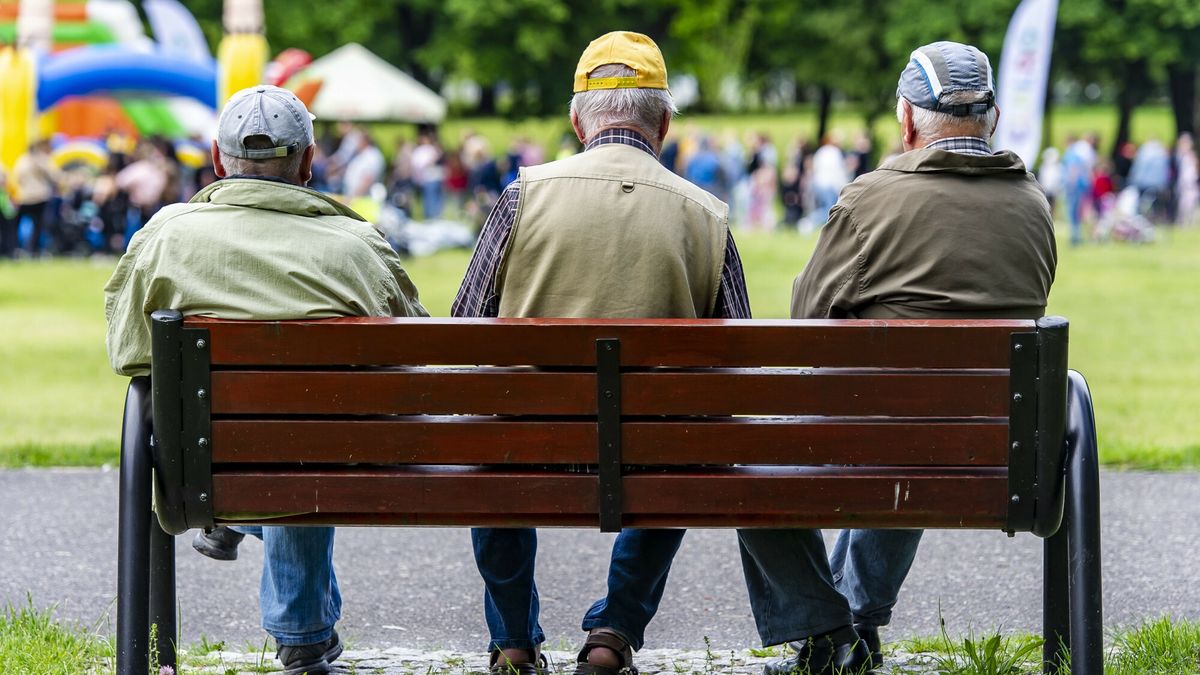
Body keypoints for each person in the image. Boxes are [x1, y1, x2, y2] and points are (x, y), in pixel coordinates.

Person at [451, 31, 753, 675]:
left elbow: (461, 331)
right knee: (685, 443)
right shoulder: (707, 215)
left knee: (490, 439)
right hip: (651, 459)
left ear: (574, 119)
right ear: (665, 122)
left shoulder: (520, 196)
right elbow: (737, 364)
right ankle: (614, 631)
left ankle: (511, 639)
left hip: (527, 453)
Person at [104, 85, 426, 675]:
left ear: (219, 158)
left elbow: (129, 354)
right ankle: (302, 634)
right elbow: (412, 358)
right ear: (308, 160)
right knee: (307, 440)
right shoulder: (358, 245)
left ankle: (237, 520)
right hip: (341, 457)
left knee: (279, 445)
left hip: (202, 461)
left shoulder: (165, 237)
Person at [772, 41, 1056, 674]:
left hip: (881, 438)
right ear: (993, 117)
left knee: (870, 428)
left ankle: (827, 632)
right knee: (923, 423)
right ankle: (856, 624)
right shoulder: (1035, 206)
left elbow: (804, 321)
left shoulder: (873, 199)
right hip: (995, 449)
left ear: (906, 120)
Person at [12, 139, 60, 256]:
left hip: (26, 197)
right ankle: (32, 249)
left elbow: (17, 177)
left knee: (19, 224)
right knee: (38, 225)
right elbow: (54, 176)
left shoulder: (22, 161)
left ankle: (20, 248)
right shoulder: (42, 159)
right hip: (39, 196)